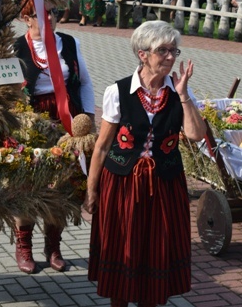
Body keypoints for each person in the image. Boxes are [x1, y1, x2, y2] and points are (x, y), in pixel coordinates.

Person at [84, 20, 205, 307]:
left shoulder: (180, 93)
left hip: (164, 184)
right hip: (122, 182)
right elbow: (101, 147)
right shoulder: (118, 91)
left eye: (174, 51)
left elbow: (196, 135)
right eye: (162, 50)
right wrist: (91, 190)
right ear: (142, 54)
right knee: (121, 247)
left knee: (156, 251)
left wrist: (185, 94)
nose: (170, 57)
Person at [13, 0, 95, 274]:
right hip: (31, 123)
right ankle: (24, 246)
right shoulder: (16, 47)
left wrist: (88, 118)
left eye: (54, 13)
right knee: (28, 184)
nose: (49, 18)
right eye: (41, 14)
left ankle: (53, 246)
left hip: (66, 120)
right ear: (27, 18)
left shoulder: (70, 43)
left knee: (62, 183)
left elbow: (84, 82)